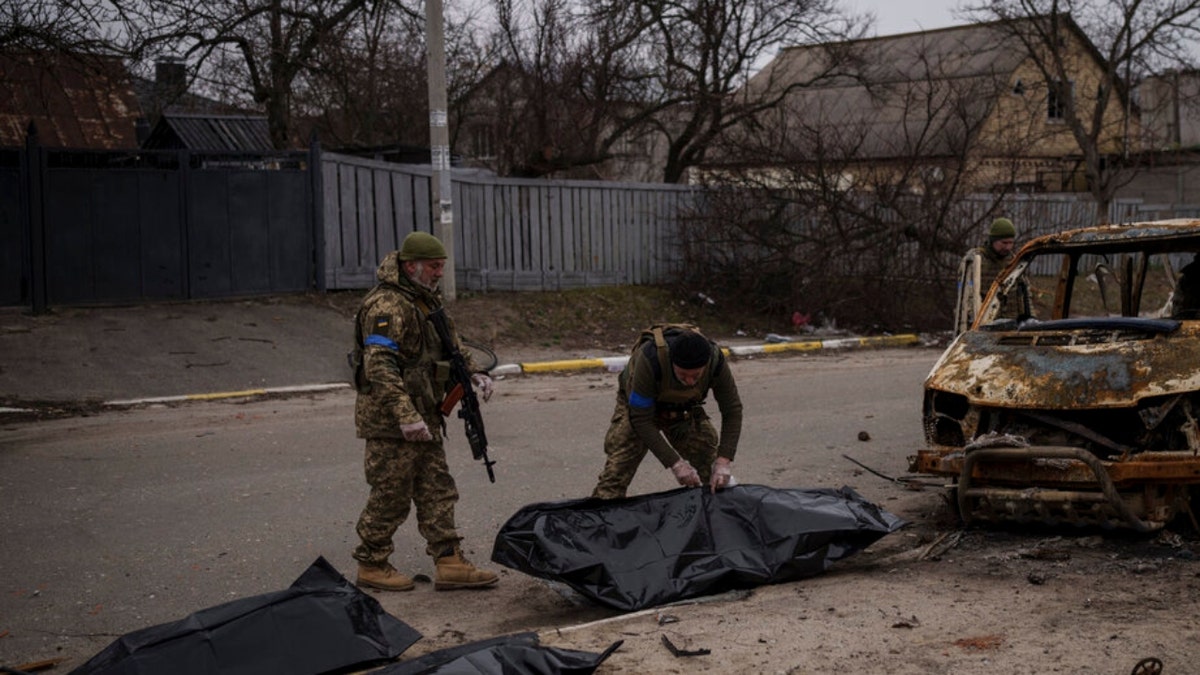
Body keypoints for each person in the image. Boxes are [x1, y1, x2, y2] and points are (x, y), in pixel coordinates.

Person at [351, 231, 499, 592]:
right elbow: (380, 366)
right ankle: (371, 562)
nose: (438, 274)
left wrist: (475, 371)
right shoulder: (387, 305)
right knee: (391, 492)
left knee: (437, 488)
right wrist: (405, 416)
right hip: (391, 421)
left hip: (426, 413)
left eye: (441, 267)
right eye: (434, 267)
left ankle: (449, 561)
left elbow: (451, 345)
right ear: (410, 265)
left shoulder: (424, 300)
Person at [592, 325, 743, 499]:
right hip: (638, 409)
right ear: (672, 363)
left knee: (716, 475)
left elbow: (732, 410)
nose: (688, 381)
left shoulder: (715, 360)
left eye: (696, 376)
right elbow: (641, 419)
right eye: (682, 375)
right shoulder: (650, 359)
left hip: (682, 410)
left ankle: (721, 519)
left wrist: (724, 461)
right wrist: (676, 464)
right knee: (616, 475)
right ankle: (600, 521)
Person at [959, 217, 1031, 325]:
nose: (1008, 247)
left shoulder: (1014, 262)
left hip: (1012, 324)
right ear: (993, 240)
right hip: (984, 325)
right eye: (1004, 243)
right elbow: (964, 292)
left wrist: (1030, 318)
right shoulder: (976, 261)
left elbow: (1025, 292)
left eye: (1011, 243)